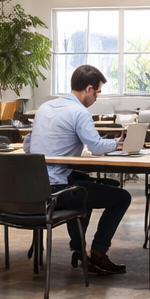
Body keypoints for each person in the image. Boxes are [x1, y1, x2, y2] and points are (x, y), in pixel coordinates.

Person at [23, 64, 130, 274]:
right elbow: (97, 147)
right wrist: (117, 143)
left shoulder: (45, 108)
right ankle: (98, 252)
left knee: (85, 185)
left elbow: (28, 145)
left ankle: (79, 249)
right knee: (121, 197)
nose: (97, 98)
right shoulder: (79, 112)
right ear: (88, 89)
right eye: (97, 92)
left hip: (33, 190)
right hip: (57, 192)